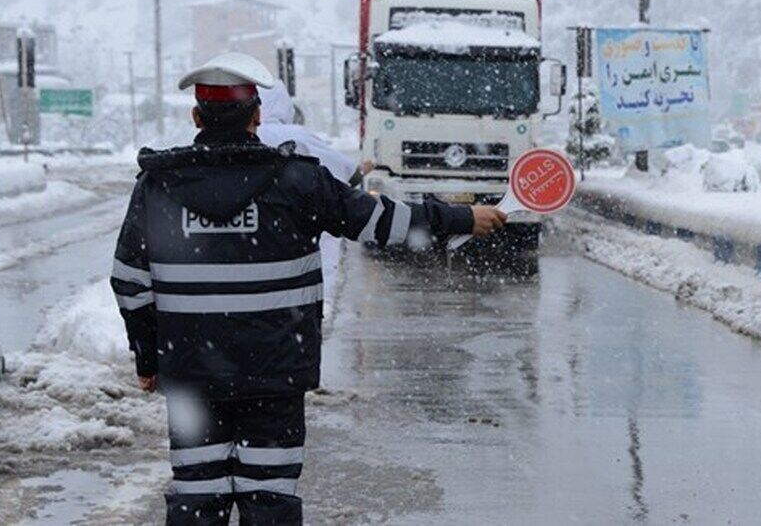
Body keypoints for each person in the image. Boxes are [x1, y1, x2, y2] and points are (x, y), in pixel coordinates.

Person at [109, 52, 506, 525]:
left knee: (197, 498)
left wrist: (151, 358)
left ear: (196, 117)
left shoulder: (157, 187)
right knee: (270, 499)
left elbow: (130, 282)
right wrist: (461, 217)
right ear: (257, 116)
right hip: (274, 377)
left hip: (194, 380)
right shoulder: (298, 181)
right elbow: (380, 221)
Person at [255, 80, 362, 295]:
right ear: (285, 105)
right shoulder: (298, 136)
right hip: (297, 254)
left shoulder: (239, 137)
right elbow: (348, 175)